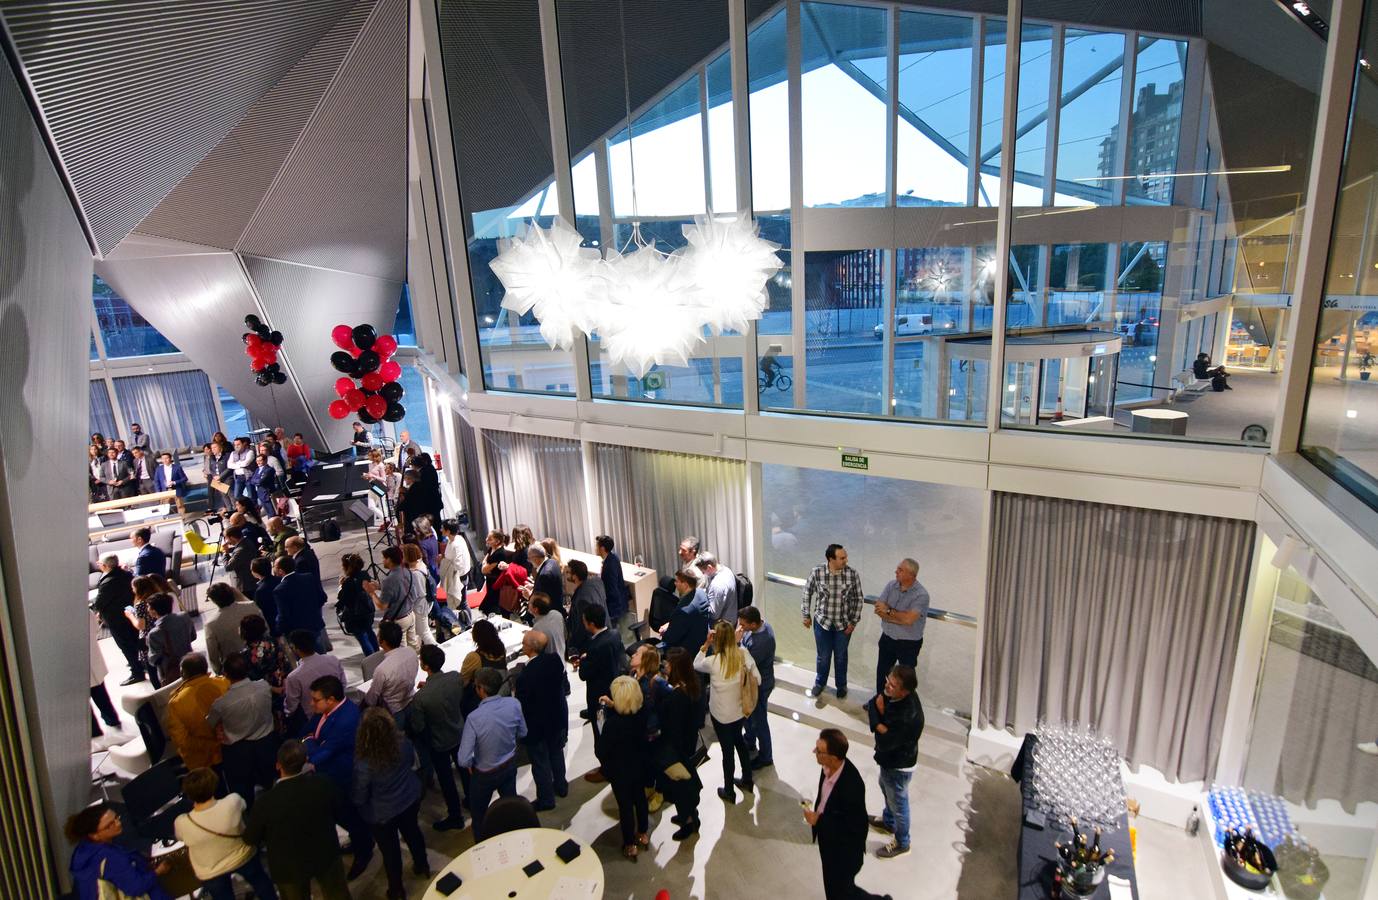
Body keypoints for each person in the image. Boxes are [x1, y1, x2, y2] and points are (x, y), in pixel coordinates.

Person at [244, 740, 353, 900]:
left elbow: (251, 838)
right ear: (305, 761)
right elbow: (339, 809)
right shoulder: (322, 784)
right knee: (337, 894)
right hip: (325, 854)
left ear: (278, 765)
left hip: (288, 867)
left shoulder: (265, 802)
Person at [353, 708, 431, 899]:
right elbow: (413, 762)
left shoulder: (364, 762)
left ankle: (396, 890)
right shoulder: (403, 743)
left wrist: (359, 805)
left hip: (382, 812)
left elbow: (360, 794)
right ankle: (422, 865)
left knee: (390, 852)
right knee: (413, 834)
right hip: (408, 799)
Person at [303, 676, 374, 879]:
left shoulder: (345, 721)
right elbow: (310, 730)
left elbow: (323, 752)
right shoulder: (328, 711)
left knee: (350, 816)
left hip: (344, 776)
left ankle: (364, 850)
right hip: (332, 772)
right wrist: (309, 739)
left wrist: (308, 744)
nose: (311, 703)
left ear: (331, 699)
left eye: (315, 700)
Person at [174, 767, 279, 900]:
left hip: (210, 870)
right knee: (263, 885)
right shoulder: (232, 802)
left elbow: (180, 837)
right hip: (242, 856)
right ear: (213, 785)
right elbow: (244, 806)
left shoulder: (182, 822)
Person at [694, 620, 759, 803]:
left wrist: (705, 644)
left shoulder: (712, 662)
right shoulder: (743, 654)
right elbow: (758, 680)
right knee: (740, 742)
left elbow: (695, 664)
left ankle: (729, 790)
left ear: (717, 641)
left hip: (720, 716)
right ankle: (747, 779)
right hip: (739, 713)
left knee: (727, 752)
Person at [457, 667, 527, 839]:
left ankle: (482, 848)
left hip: (484, 774)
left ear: (481, 689)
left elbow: (463, 759)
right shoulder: (514, 704)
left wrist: (473, 762)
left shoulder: (474, 718)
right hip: (509, 765)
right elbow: (523, 732)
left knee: (479, 817)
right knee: (511, 808)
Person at [866, 664, 925, 860]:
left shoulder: (908, 716)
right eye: (887, 681)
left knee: (899, 802)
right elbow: (873, 704)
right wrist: (879, 723)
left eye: (892, 685)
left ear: (905, 690)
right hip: (890, 760)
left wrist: (880, 716)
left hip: (899, 764)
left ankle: (903, 842)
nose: (887, 687)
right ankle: (888, 821)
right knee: (885, 786)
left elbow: (884, 741)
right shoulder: (896, 697)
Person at [408, 644, 468, 831]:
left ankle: (455, 816)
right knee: (465, 770)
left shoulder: (420, 698)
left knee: (446, 780)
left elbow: (418, 726)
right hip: (459, 733)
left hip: (439, 742)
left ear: (425, 666)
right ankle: (472, 801)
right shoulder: (455, 678)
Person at [208, 653, 279, 806]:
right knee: (270, 783)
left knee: (242, 793)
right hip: (266, 742)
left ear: (225, 675)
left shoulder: (221, 703)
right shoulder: (263, 686)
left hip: (237, 751)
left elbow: (211, 722)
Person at [66, 802, 174, 900]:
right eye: (110, 825)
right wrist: (158, 871)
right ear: (94, 835)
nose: (118, 823)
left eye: (116, 818)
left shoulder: (84, 850)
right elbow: (136, 887)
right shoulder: (111, 857)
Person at [596, 676, 651, 861]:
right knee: (641, 800)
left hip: (620, 772)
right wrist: (614, 706)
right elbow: (629, 711)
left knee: (625, 807)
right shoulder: (643, 713)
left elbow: (603, 751)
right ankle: (643, 834)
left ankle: (630, 844)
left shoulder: (612, 725)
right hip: (641, 765)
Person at [801, 544, 864, 700]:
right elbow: (807, 593)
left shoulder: (852, 574)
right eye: (842, 558)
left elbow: (858, 598)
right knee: (823, 656)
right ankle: (820, 683)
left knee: (841, 656)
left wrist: (853, 622)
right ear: (831, 559)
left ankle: (841, 686)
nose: (845, 560)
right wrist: (806, 615)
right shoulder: (817, 572)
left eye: (845, 557)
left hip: (844, 625)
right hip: (822, 623)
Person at [514, 630, 567, 810]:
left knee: (540, 764)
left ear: (530, 648)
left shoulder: (525, 676)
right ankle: (561, 786)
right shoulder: (555, 661)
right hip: (555, 718)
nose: (522, 646)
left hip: (536, 727)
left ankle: (546, 800)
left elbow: (523, 704)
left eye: (523, 644)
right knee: (556, 754)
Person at [660, 648, 704, 840]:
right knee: (684, 781)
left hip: (677, 747)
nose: (665, 666)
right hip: (688, 742)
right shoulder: (693, 684)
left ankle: (687, 821)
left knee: (680, 784)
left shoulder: (678, 695)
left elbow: (672, 725)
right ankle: (690, 815)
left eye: (669, 663)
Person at [872, 558, 930, 697]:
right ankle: (880, 702)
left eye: (900, 570)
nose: (896, 572)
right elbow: (879, 609)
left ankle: (904, 709)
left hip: (908, 644)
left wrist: (889, 611)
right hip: (887, 639)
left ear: (911, 575)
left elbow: (909, 619)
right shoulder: (891, 585)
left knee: (906, 680)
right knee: (882, 673)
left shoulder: (921, 595)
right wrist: (899, 618)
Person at [166, 654, 230, 770]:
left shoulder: (176, 703)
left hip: (203, 763)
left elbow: (182, 740)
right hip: (232, 750)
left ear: (183, 674)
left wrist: (212, 746)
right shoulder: (224, 683)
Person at [90, 555, 145, 684]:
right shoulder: (125, 574)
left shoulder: (108, 582)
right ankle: (142, 663)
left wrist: (95, 608)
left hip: (117, 619)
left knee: (126, 645)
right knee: (135, 640)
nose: (98, 565)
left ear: (106, 566)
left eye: (99, 563)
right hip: (129, 613)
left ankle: (137, 672)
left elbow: (99, 602)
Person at [283, 629, 345, 735]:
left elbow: (291, 708)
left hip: (313, 721)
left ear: (295, 648)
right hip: (340, 709)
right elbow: (343, 684)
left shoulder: (294, 677)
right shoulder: (333, 660)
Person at [738, 606, 776, 770]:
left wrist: (736, 643)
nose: (741, 628)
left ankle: (766, 756)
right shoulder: (760, 627)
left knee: (760, 720)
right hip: (754, 681)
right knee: (749, 715)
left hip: (760, 684)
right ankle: (750, 740)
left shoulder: (763, 641)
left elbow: (746, 663)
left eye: (744, 625)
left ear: (753, 624)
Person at [576, 604, 625, 733]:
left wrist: (583, 660)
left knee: (601, 731)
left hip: (600, 696)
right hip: (615, 688)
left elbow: (583, 674)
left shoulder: (594, 647)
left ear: (591, 624)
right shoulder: (615, 634)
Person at [204, 582, 261, 675]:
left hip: (235, 669)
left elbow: (213, 655)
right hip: (262, 656)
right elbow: (266, 629)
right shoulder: (251, 606)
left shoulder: (211, 624)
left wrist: (220, 673)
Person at [368, 546, 418, 650]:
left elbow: (382, 606)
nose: (383, 561)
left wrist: (372, 593)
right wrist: (380, 586)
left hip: (399, 620)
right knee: (414, 646)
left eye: (384, 558)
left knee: (401, 651)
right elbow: (405, 590)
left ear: (389, 560)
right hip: (411, 615)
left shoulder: (389, 580)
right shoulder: (408, 571)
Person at [274, 555, 326, 653]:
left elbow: (284, 615)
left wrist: (279, 631)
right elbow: (322, 597)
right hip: (315, 623)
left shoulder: (280, 590)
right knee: (321, 655)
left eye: (274, 567)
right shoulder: (308, 577)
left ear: (281, 571)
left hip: (299, 633)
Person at [365, 621, 419, 716]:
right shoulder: (411, 652)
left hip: (393, 712)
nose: (377, 637)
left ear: (384, 642)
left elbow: (371, 699)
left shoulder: (382, 670)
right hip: (412, 700)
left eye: (378, 635)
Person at [459, 619, 508, 719]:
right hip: (502, 692)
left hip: (482, 699)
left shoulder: (474, 657)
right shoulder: (501, 648)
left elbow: (462, 682)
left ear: (476, 638)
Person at [658, 569, 712, 655]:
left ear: (685, 585)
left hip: (687, 652)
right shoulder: (701, 593)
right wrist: (671, 624)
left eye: (677, 581)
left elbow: (671, 638)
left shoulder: (683, 611)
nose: (675, 583)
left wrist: (665, 632)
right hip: (702, 642)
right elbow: (690, 619)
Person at [146, 593, 195, 686]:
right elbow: (193, 636)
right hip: (191, 662)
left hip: (172, 671)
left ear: (154, 611)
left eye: (148, 607)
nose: (147, 609)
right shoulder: (184, 617)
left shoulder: (154, 633)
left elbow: (154, 659)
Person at [336, 553, 379, 657]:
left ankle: (372, 659)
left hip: (355, 616)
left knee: (363, 638)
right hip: (368, 611)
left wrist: (341, 586)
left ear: (346, 566)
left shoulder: (348, 583)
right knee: (369, 631)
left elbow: (342, 600)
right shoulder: (365, 574)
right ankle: (378, 654)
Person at [88, 613, 122, 737]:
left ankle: (94, 730)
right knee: (101, 694)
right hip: (92, 661)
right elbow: (96, 629)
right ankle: (112, 719)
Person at [566, 559, 607, 656]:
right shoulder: (597, 582)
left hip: (590, 644)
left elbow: (582, 628)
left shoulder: (582, 600)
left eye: (568, 572)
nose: (566, 575)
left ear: (575, 576)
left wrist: (572, 645)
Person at [239, 614, 288, 695]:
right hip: (281, 682)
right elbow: (283, 661)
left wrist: (273, 689)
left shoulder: (245, 655)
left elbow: (253, 680)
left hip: (264, 692)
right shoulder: (272, 641)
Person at [595, 534, 631, 642]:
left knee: (614, 635)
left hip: (614, 607)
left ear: (602, 548)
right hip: (620, 602)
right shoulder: (613, 557)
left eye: (596, 546)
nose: (595, 548)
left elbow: (611, 589)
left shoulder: (609, 566)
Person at [479, 530, 516, 618]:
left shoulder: (499, 553)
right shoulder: (492, 548)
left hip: (496, 583)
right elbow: (484, 563)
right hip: (490, 581)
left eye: (490, 539)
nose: (487, 540)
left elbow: (484, 570)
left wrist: (485, 565)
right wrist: (485, 565)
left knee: (493, 607)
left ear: (497, 541)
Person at [697, 552, 739, 624]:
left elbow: (713, 614)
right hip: (730, 618)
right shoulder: (726, 569)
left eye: (703, 571)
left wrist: (698, 603)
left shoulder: (718, 584)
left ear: (709, 567)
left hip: (723, 627)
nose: (703, 574)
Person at [438, 518, 473, 603]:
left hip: (459, 578)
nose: (440, 530)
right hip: (458, 576)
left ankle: (466, 616)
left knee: (461, 603)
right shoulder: (457, 538)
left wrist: (444, 562)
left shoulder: (456, 544)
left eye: (443, 528)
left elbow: (458, 566)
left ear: (448, 531)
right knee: (460, 603)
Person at [529, 592, 566, 660]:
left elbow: (534, 655)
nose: (528, 603)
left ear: (535, 609)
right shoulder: (557, 614)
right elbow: (565, 636)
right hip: (562, 660)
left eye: (530, 602)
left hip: (550, 666)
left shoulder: (537, 628)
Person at [249, 556, 280, 638]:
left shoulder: (260, 591)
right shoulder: (280, 580)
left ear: (256, 572)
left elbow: (261, 612)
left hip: (275, 626)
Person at [151, 450, 189, 514]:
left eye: (166, 458)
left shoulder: (177, 467)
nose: (165, 460)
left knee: (180, 505)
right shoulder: (159, 469)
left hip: (176, 489)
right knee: (164, 506)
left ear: (170, 458)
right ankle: (166, 519)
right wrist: (158, 491)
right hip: (165, 490)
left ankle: (182, 518)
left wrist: (174, 482)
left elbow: (185, 478)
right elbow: (156, 481)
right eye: (163, 459)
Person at [223, 527, 257, 596]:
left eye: (226, 538)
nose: (226, 541)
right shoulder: (246, 541)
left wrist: (225, 553)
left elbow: (228, 567)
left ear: (232, 537)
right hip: (249, 581)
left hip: (245, 585)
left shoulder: (241, 550)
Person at [206, 440, 232, 514]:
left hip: (227, 478)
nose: (213, 449)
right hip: (217, 480)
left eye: (215, 447)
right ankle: (229, 512)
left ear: (220, 448)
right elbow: (211, 469)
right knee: (224, 496)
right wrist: (214, 476)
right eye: (212, 448)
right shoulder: (211, 457)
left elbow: (229, 468)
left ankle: (234, 512)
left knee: (230, 495)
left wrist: (220, 476)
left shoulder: (227, 455)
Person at [227, 437, 255, 502]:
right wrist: (239, 464)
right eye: (235, 445)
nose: (236, 446)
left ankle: (254, 509)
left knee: (251, 495)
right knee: (236, 495)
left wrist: (235, 464)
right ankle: (247, 503)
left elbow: (246, 463)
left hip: (248, 477)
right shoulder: (233, 453)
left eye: (238, 444)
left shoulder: (250, 452)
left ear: (243, 444)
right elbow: (229, 465)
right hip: (238, 477)